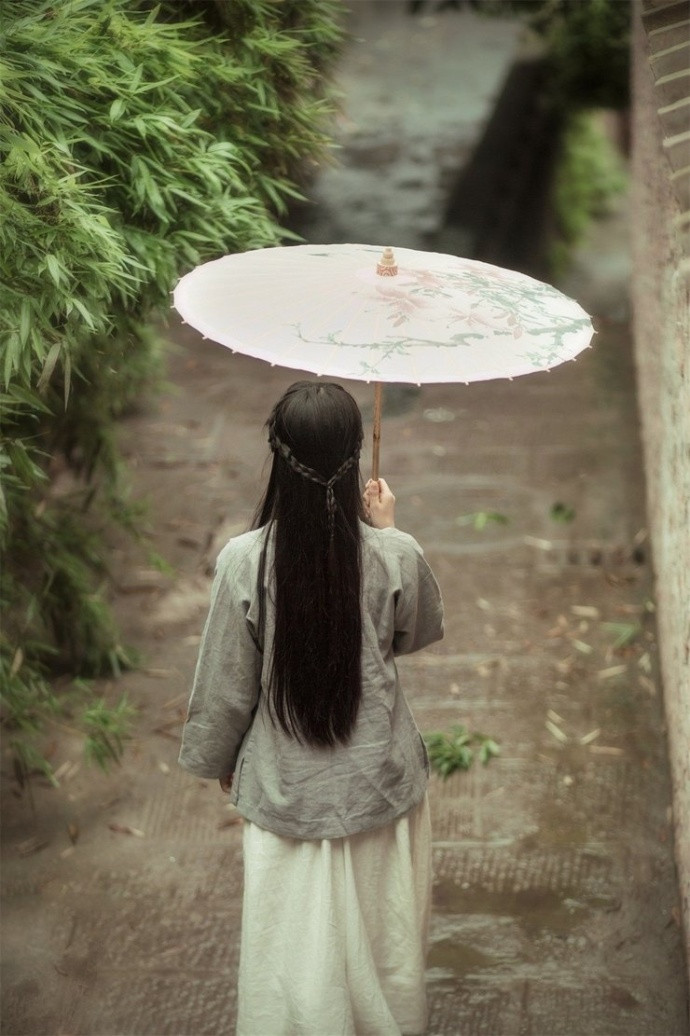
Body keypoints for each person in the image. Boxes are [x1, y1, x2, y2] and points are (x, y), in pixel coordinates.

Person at [179, 380, 444, 1036]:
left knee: (293, 960)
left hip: (286, 791)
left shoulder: (244, 562)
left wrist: (221, 761)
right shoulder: (394, 553)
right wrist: (388, 532)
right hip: (380, 783)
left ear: (278, 453)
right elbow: (417, 632)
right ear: (356, 458)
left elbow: (225, 687)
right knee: (384, 950)